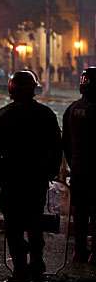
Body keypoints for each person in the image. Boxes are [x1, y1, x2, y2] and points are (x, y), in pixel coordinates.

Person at [0, 70, 62, 282]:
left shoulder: (4, 114)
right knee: (34, 223)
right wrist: (50, 172)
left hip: (11, 181)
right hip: (36, 180)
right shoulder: (46, 114)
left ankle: (20, 269)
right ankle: (37, 265)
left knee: (14, 227)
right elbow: (57, 148)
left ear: (11, 89)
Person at [63, 66, 96, 264]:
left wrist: (73, 163)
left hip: (78, 170)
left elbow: (65, 142)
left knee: (81, 213)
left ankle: (79, 251)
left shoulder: (72, 109)